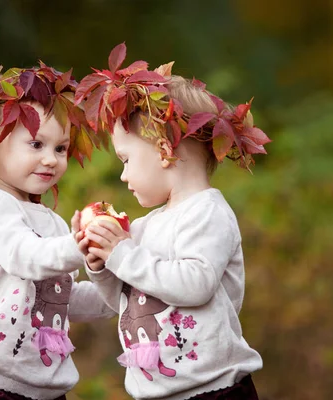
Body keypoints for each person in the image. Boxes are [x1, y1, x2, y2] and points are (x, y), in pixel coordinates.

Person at [72, 43, 270, 400]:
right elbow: (123, 298)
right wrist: (101, 265)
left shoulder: (207, 213)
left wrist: (122, 254)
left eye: (126, 159)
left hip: (213, 390)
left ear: (164, 150)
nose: (122, 175)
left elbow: (196, 284)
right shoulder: (145, 227)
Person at [0, 63, 115, 400]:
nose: (51, 159)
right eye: (36, 144)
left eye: (60, 148)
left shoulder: (53, 223)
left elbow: (62, 297)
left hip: (44, 389)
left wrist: (120, 281)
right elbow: (25, 257)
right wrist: (81, 243)